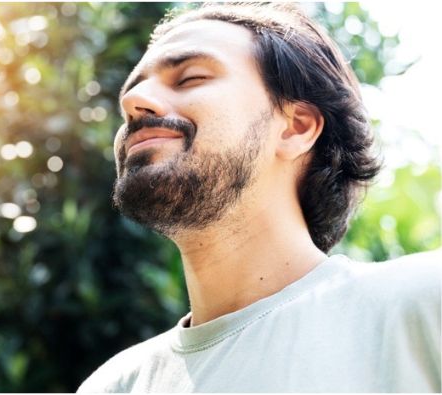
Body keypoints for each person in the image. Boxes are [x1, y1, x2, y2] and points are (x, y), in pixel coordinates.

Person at [77, 3, 441, 392]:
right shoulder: (114, 386)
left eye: (190, 77)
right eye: (132, 90)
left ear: (296, 128)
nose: (133, 102)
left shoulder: (423, 302)